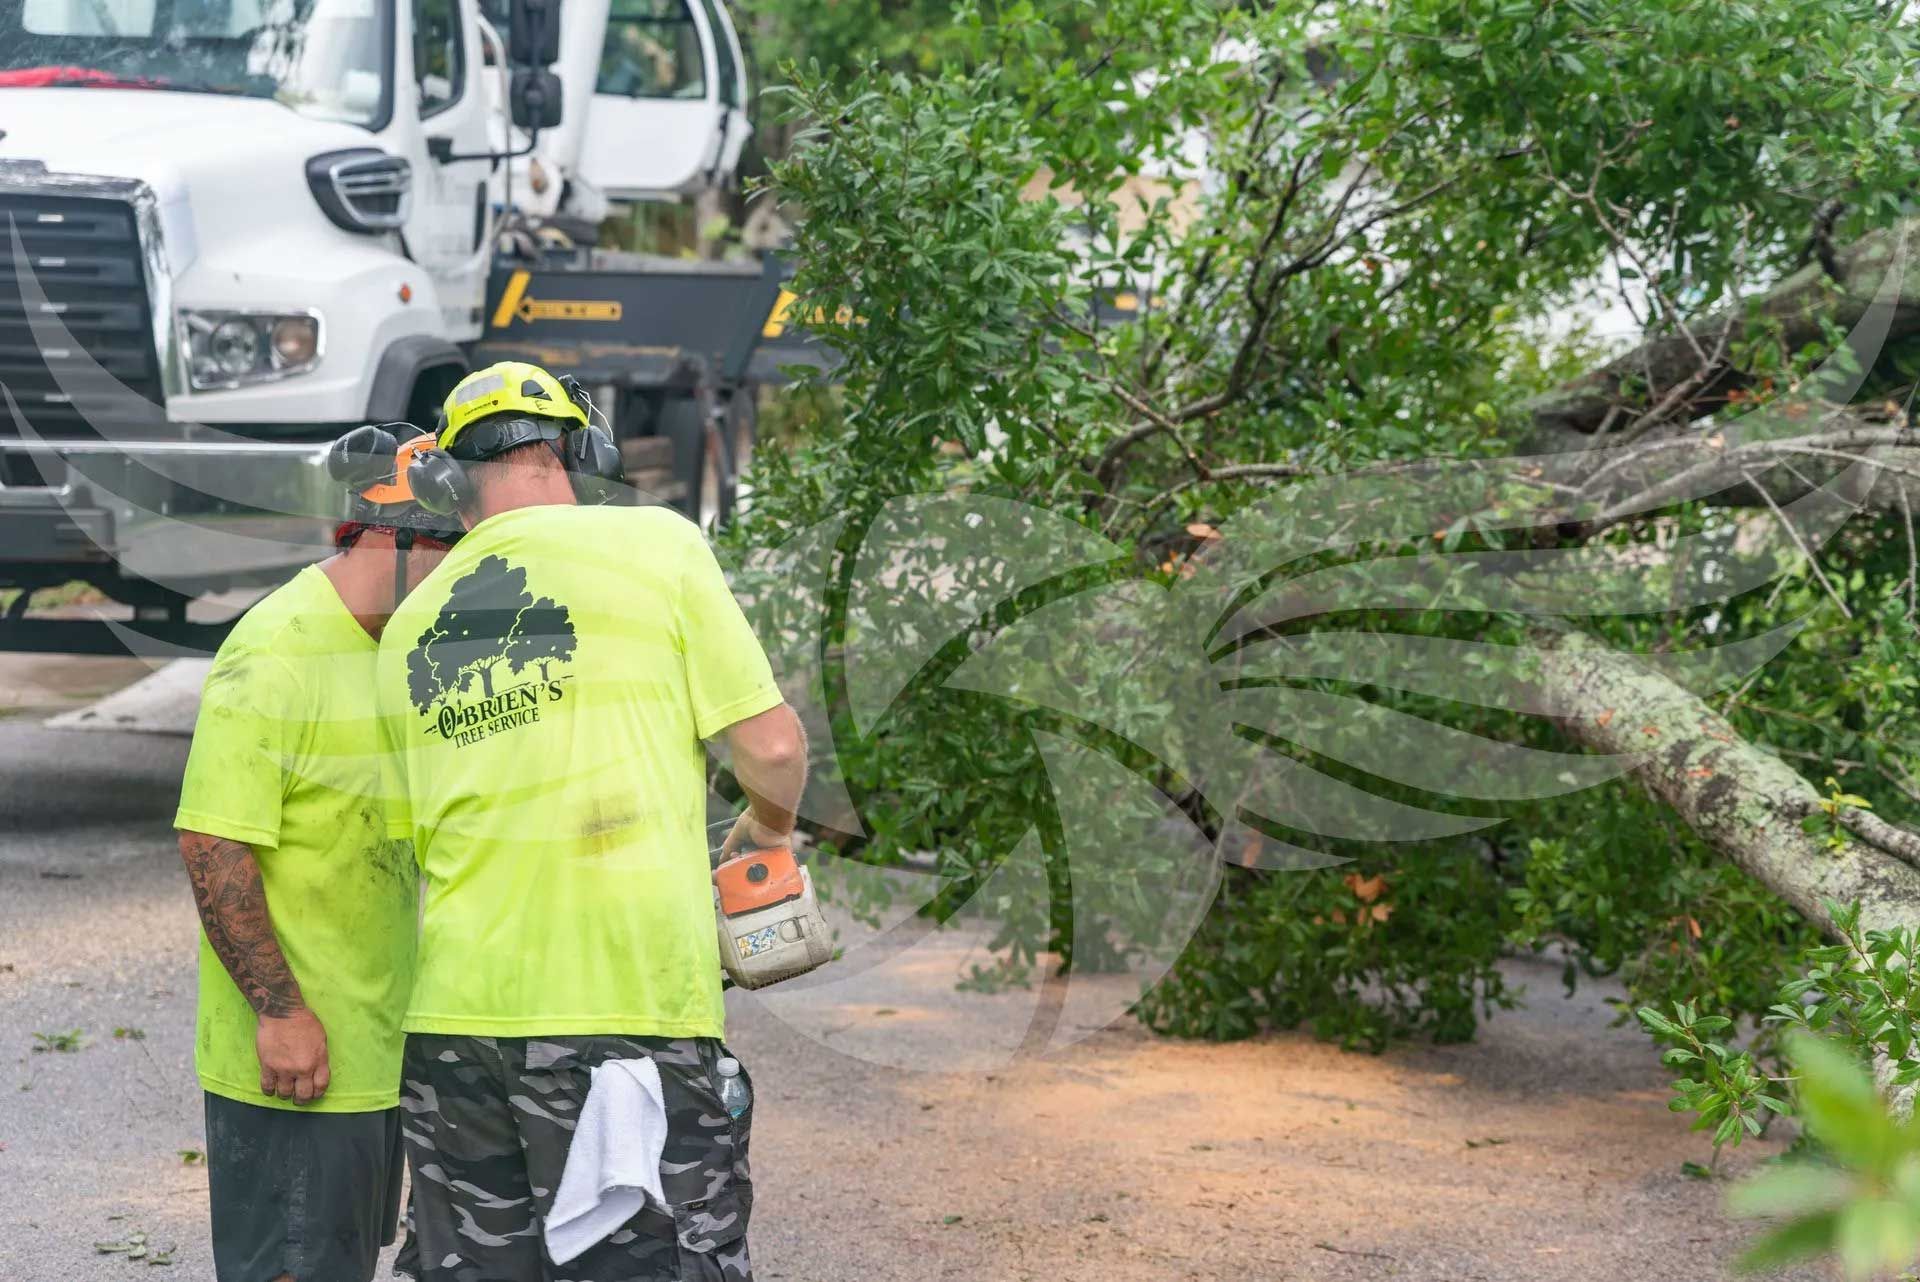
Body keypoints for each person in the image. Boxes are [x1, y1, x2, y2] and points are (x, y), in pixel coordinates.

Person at [375, 361, 806, 1282]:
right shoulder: (659, 549)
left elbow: (410, 837)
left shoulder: (412, 626)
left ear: (447, 481)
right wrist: (767, 837)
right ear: (582, 449)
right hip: (625, 1015)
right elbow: (770, 748)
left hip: (456, 1026)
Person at [174, 426, 460, 1282]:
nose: (464, 578)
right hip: (300, 1060)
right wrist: (281, 1012)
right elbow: (212, 841)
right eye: (454, 551)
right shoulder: (274, 653)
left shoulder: (403, 649)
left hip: (375, 1054)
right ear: (390, 536)